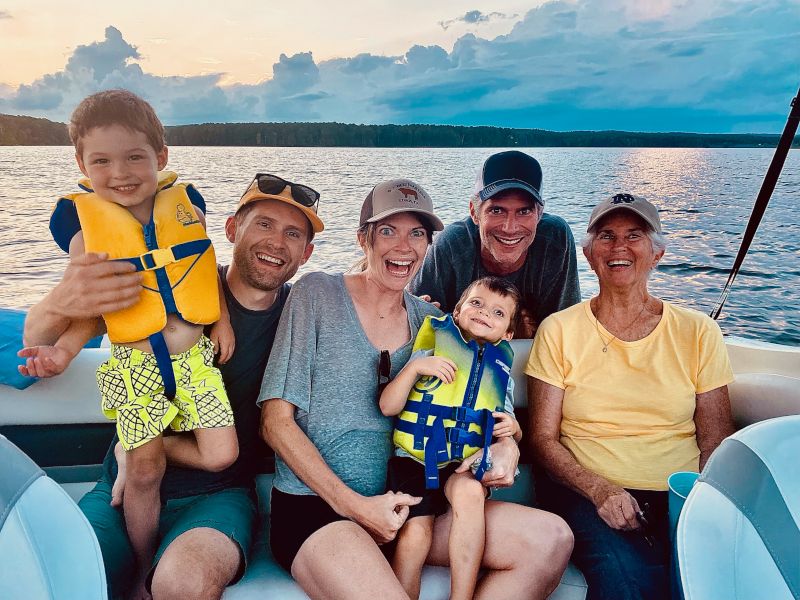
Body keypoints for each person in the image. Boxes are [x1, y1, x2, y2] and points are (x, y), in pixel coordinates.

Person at [259, 178, 573, 600]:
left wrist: (507, 446)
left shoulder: (435, 322)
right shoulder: (317, 294)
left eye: (417, 234)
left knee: (551, 539)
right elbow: (275, 424)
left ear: (429, 246)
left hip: (415, 504)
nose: (403, 247)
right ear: (363, 239)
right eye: (387, 231)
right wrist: (357, 507)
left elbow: (486, 390)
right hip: (321, 510)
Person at [21, 171, 320, 599]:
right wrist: (63, 295)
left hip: (218, 497)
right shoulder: (163, 287)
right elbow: (40, 341)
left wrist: (423, 312)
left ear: (307, 253)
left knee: (183, 583)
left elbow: (367, 310)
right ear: (231, 229)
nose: (277, 243)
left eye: (293, 234)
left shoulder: (303, 316)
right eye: (264, 224)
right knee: (61, 578)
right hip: (120, 491)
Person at [19, 89, 240, 598]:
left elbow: (202, 269)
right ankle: (143, 568)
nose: (120, 172)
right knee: (145, 473)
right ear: (81, 163)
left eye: (135, 157)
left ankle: (131, 444)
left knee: (222, 453)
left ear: (160, 157)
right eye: (102, 160)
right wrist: (62, 352)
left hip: (193, 360)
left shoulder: (188, 204)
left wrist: (222, 322)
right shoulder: (77, 220)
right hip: (134, 364)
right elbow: (92, 306)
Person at [526, 193, 735, 600]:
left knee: (709, 579)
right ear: (588, 254)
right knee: (626, 583)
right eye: (606, 236)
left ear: (656, 253)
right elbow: (542, 440)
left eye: (634, 235)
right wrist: (600, 490)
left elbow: (715, 439)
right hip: (586, 492)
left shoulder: (697, 332)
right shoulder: (560, 330)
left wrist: (702, 505)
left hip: (678, 491)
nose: (618, 247)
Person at [380, 276, 523, 600]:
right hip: (416, 460)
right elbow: (389, 406)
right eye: (477, 303)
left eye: (499, 313)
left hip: (463, 463)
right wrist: (415, 370)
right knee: (416, 532)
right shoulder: (429, 353)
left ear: (509, 335)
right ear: (457, 312)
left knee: (471, 492)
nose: (485, 313)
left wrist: (511, 429)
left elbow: (511, 425)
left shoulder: (500, 372)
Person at [410, 150, 581, 338]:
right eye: (497, 210)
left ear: (539, 214)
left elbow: (565, 328)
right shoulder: (452, 245)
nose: (510, 227)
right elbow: (420, 326)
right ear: (475, 212)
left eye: (524, 212)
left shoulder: (555, 240)